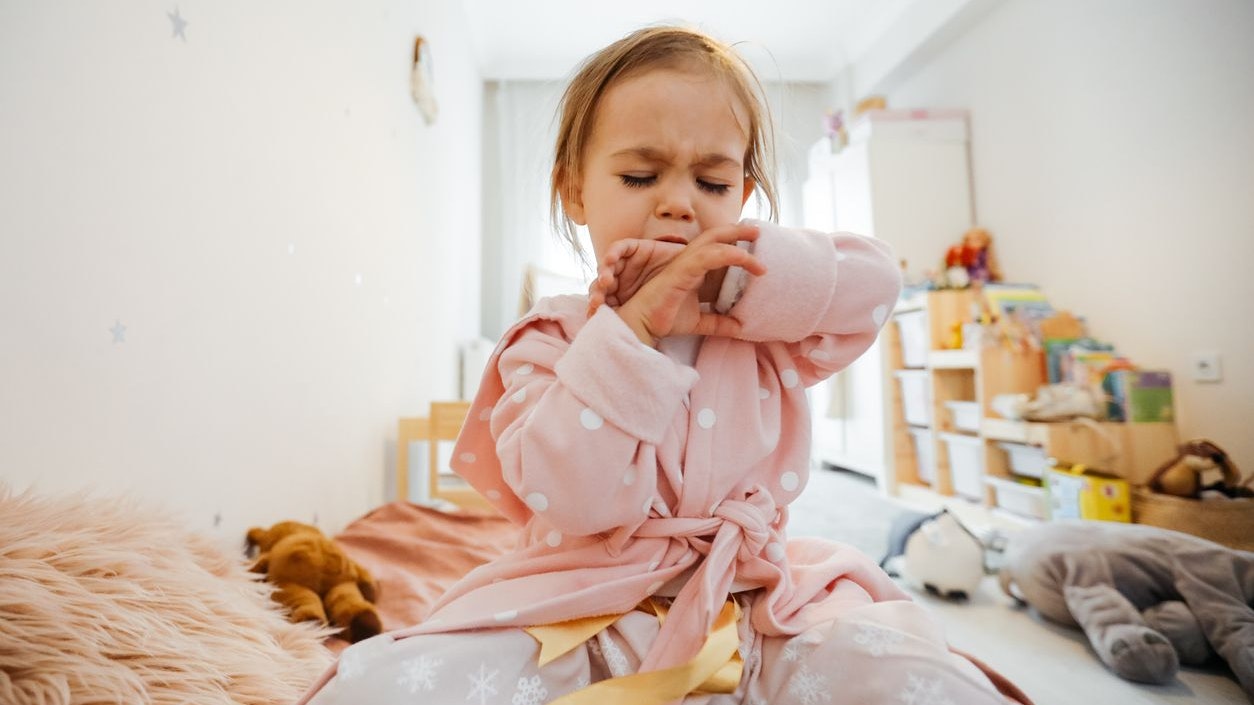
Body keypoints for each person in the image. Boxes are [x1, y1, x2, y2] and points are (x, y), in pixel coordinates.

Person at [297, 25, 1027, 705]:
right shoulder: (552, 334)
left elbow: (875, 285)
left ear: (744, 196)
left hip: (756, 598)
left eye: (712, 185)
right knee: (390, 684)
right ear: (575, 191)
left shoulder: (765, 320)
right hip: (583, 602)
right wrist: (633, 330)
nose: (679, 204)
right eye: (641, 177)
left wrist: (738, 282)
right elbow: (575, 495)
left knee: (914, 675)